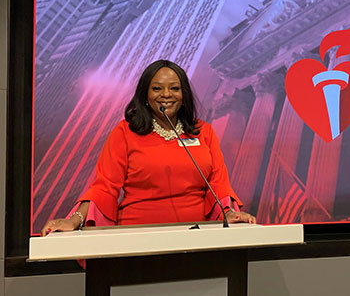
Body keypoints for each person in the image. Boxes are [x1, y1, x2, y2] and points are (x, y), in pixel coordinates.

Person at [41, 60, 255, 236]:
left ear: (184, 95)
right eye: (157, 88)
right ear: (145, 95)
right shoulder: (125, 132)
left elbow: (218, 184)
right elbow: (105, 186)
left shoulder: (203, 131)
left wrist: (229, 213)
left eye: (174, 88)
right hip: (137, 235)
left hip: (198, 234)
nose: (166, 95)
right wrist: (75, 220)